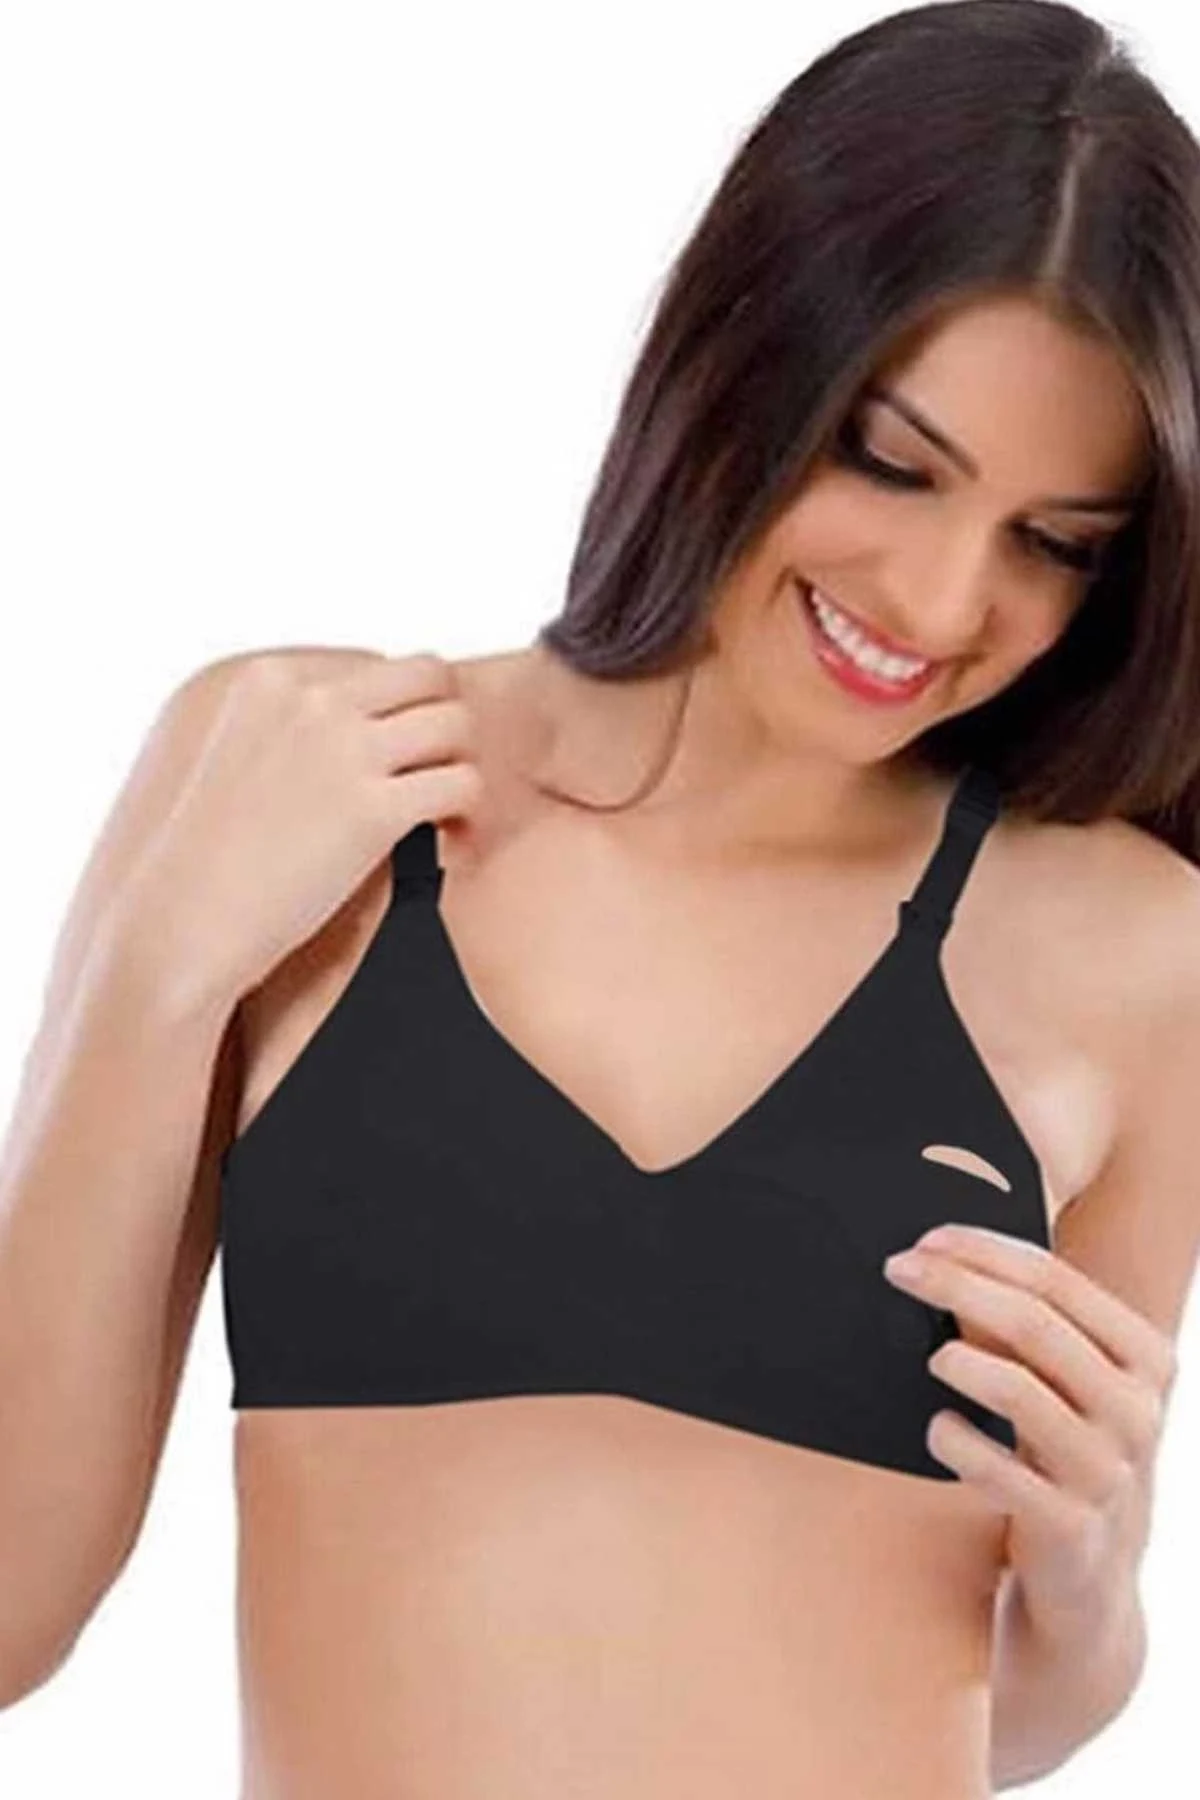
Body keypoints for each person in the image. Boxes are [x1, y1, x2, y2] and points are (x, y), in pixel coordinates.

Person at [1, 1, 1198, 1793]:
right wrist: (155, 974)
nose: (946, 602)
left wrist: (1096, 1591)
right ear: (747, 349)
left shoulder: (1132, 950)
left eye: (1055, 544)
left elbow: (1008, 1701)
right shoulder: (296, 772)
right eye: (892, 461)